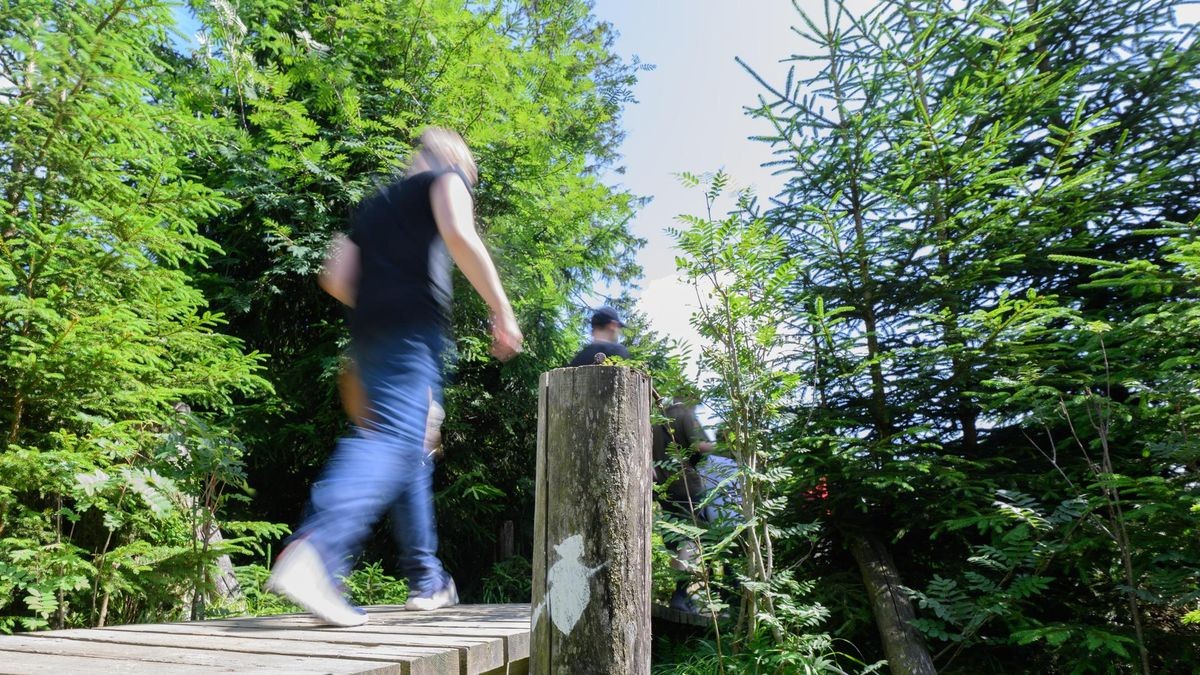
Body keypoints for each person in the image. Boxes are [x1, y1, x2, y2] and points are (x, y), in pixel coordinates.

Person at [266, 128, 523, 627]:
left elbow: (335, 278)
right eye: (468, 172)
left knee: (412, 446)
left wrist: (381, 305)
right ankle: (320, 551)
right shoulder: (445, 179)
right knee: (391, 441)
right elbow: (458, 233)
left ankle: (426, 581)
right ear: (453, 162)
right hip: (412, 334)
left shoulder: (374, 208)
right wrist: (501, 308)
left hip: (371, 338)